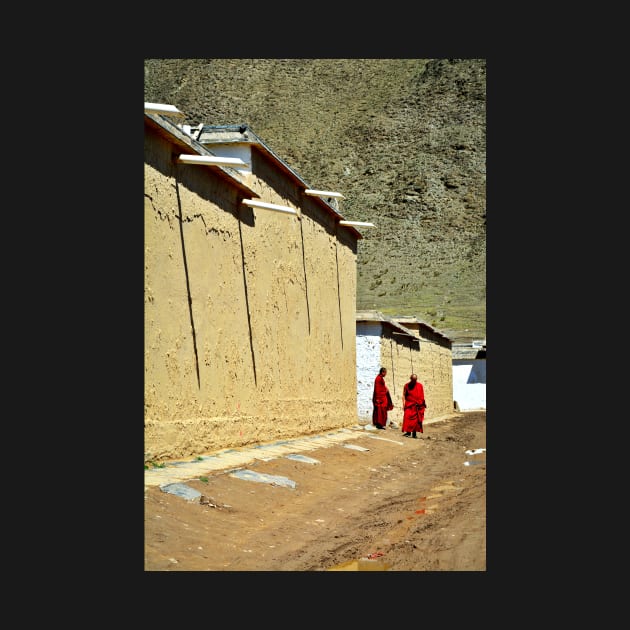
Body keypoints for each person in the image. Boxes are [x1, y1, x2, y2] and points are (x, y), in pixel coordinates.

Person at [401, 374, 427, 438]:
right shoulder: (406, 386)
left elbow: (422, 395)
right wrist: (403, 404)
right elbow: (404, 395)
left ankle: (414, 434)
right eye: (413, 380)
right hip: (409, 405)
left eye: (415, 380)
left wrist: (422, 403)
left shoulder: (420, 386)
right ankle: (408, 432)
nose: (414, 382)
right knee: (407, 417)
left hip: (417, 405)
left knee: (416, 421)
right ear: (410, 379)